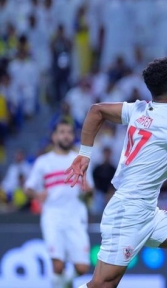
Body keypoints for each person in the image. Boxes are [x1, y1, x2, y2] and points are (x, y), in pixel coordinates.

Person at [65, 57, 167, 288]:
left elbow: (97, 111)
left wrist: (84, 154)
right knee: (102, 285)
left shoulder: (138, 109)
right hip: (127, 212)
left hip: (148, 212)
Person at [25, 120, 92, 288]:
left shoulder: (80, 161)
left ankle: (63, 285)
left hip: (76, 216)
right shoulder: (44, 162)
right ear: (54, 137)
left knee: (82, 267)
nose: (66, 135)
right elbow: (28, 188)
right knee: (58, 265)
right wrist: (36, 194)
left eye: (69, 132)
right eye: (62, 132)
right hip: (53, 216)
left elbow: (90, 190)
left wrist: (88, 192)